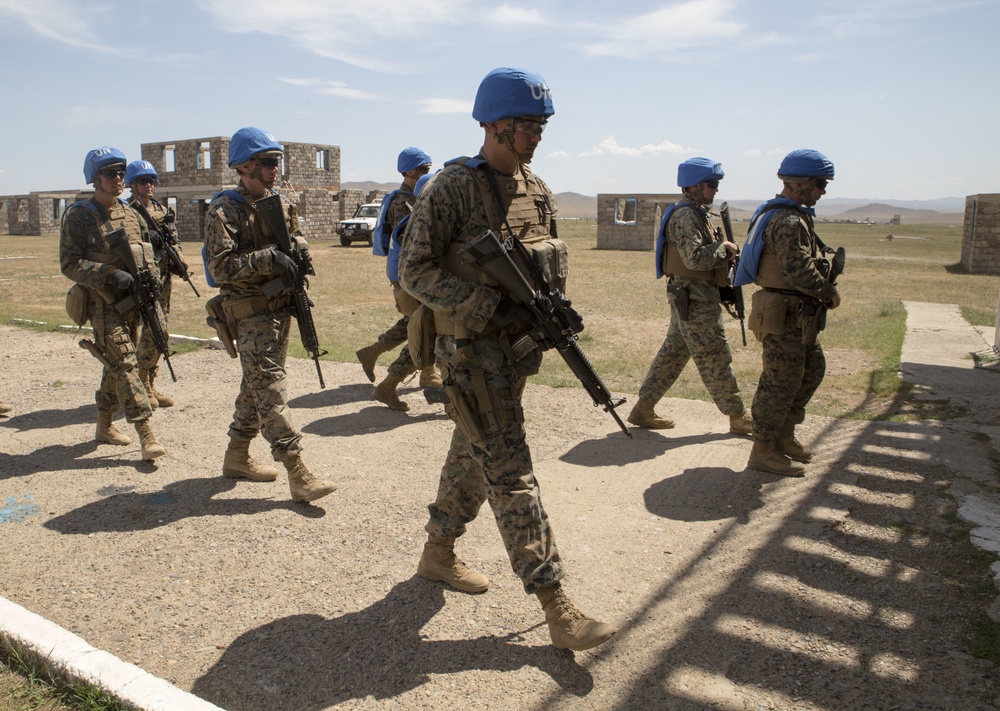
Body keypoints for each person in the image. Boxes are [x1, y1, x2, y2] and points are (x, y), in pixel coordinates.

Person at [399, 67, 616, 652]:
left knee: (474, 455)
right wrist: (481, 304)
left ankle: (437, 553)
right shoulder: (450, 187)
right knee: (510, 471)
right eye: (528, 124)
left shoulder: (535, 188)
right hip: (470, 355)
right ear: (495, 124)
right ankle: (557, 605)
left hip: (512, 356)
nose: (537, 134)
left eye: (541, 124)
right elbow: (414, 270)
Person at [203, 127, 336, 502]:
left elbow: (294, 237)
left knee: (257, 385)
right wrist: (268, 258)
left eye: (276, 161)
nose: (275, 168)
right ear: (246, 166)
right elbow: (220, 267)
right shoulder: (224, 209)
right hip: (249, 314)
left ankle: (237, 456)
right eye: (268, 162)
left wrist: (299, 251)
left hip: (280, 310)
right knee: (271, 389)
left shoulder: (277, 202)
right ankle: (298, 471)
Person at [734, 149, 840, 477]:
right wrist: (828, 292)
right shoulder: (788, 220)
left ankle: (783, 434)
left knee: (810, 370)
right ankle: (762, 449)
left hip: (798, 314)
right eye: (820, 183)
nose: (823, 190)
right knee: (779, 382)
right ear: (799, 183)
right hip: (784, 313)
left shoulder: (795, 215)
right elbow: (797, 270)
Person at [628, 157, 753, 436]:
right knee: (715, 355)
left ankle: (643, 408)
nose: (716, 190)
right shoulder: (686, 216)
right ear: (696, 186)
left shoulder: (697, 213)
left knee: (674, 353)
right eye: (712, 185)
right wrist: (724, 248)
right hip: (694, 298)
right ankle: (738, 416)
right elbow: (694, 259)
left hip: (693, 295)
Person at [59, 147, 165, 461]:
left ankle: (104, 425)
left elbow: (148, 255)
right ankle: (146, 434)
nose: (118, 179)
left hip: (134, 301)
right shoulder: (79, 215)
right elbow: (68, 264)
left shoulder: (132, 213)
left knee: (118, 364)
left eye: (121, 173)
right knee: (126, 362)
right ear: (95, 179)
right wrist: (107, 272)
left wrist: (153, 279)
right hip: (103, 303)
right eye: (110, 174)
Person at [356, 147, 442, 411]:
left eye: (428, 170)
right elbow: (412, 243)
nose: (426, 175)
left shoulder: (418, 196)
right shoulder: (401, 202)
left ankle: (378, 355)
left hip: (414, 276)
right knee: (424, 328)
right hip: (411, 278)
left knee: (417, 326)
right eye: (423, 171)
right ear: (408, 173)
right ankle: (393, 379)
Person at [125, 160, 181, 410]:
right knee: (148, 331)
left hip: (162, 279)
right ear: (132, 185)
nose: (149, 186)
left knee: (159, 331)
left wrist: (177, 258)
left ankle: (148, 381)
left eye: (152, 181)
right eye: (143, 182)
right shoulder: (126, 212)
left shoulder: (160, 209)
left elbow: (173, 238)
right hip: (139, 281)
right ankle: (137, 385)